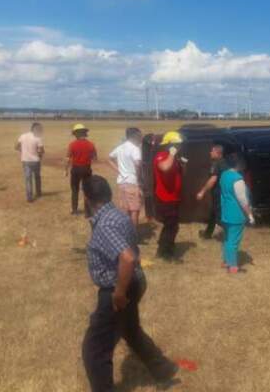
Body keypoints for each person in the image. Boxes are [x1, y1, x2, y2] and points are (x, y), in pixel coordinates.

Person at [80, 175, 178, 391]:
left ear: (86, 198)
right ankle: (163, 370)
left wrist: (119, 293)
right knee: (130, 330)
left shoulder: (105, 224)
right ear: (108, 194)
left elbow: (127, 257)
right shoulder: (118, 215)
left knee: (94, 349)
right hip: (135, 280)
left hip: (120, 287)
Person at [219, 154, 255, 274]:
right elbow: (242, 200)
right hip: (236, 214)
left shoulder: (224, 175)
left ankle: (226, 261)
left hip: (225, 211)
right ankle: (233, 266)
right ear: (238, 164)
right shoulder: (237, 178)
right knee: (234, 241)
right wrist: (250, 215)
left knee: (228, 238)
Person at [153, 131, 184, 261]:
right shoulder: (161, 156)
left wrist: (182, 165)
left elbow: (179, 174)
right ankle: (164, 252)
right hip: (165, 198)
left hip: (174, 197)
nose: (179, 147)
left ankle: (166, 246)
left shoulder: (173, 157)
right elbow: (165, 168)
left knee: (172, 225)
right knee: (171, 225)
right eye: (177, 144)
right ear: (170, 145)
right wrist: (172, 154)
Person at [108, 128, 143, 227]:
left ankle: (125, 233)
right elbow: (137, 164)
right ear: (134, 136)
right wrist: (139, 180)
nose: (141, 138)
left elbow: (109, 158)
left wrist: (119, 171)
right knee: (134, 210)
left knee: (125, 210)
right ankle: (133, 236)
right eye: (140, 136)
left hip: (121, 182)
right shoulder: (135, 149)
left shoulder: (120, 147)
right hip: (132, 182)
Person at [196, 144, 227, 239]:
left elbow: (213, 179)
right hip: (224, 192)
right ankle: (207, 234)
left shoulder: (216, 164)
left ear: (218, 153)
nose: (210, 153)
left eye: (212, 151)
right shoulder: (225, 162)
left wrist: (202, 191)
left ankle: (226, 236)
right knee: (214, 213)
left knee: (219, 214)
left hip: (218, 193)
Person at [66, 124, 97, 216]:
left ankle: (74, 210)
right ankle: (88, 211)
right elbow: (94, 158)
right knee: (87, 190)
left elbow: (68, 158)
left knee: (75, 190)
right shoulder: (91, 144)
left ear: (76, 134)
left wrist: (66, 170)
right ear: (85, 133)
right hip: (86, 169)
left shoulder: (72, 144)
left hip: (75, 169)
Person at [15, 122, 44, 203]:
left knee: (28, 179)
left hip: (25, 161)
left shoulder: (22, 136)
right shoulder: (38, 138)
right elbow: (41, 150)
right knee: (37, 177)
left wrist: (23, 151)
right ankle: (38, 192)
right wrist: (40, 156)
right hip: (36, 161)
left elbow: (16, 147)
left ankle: (29, 196)